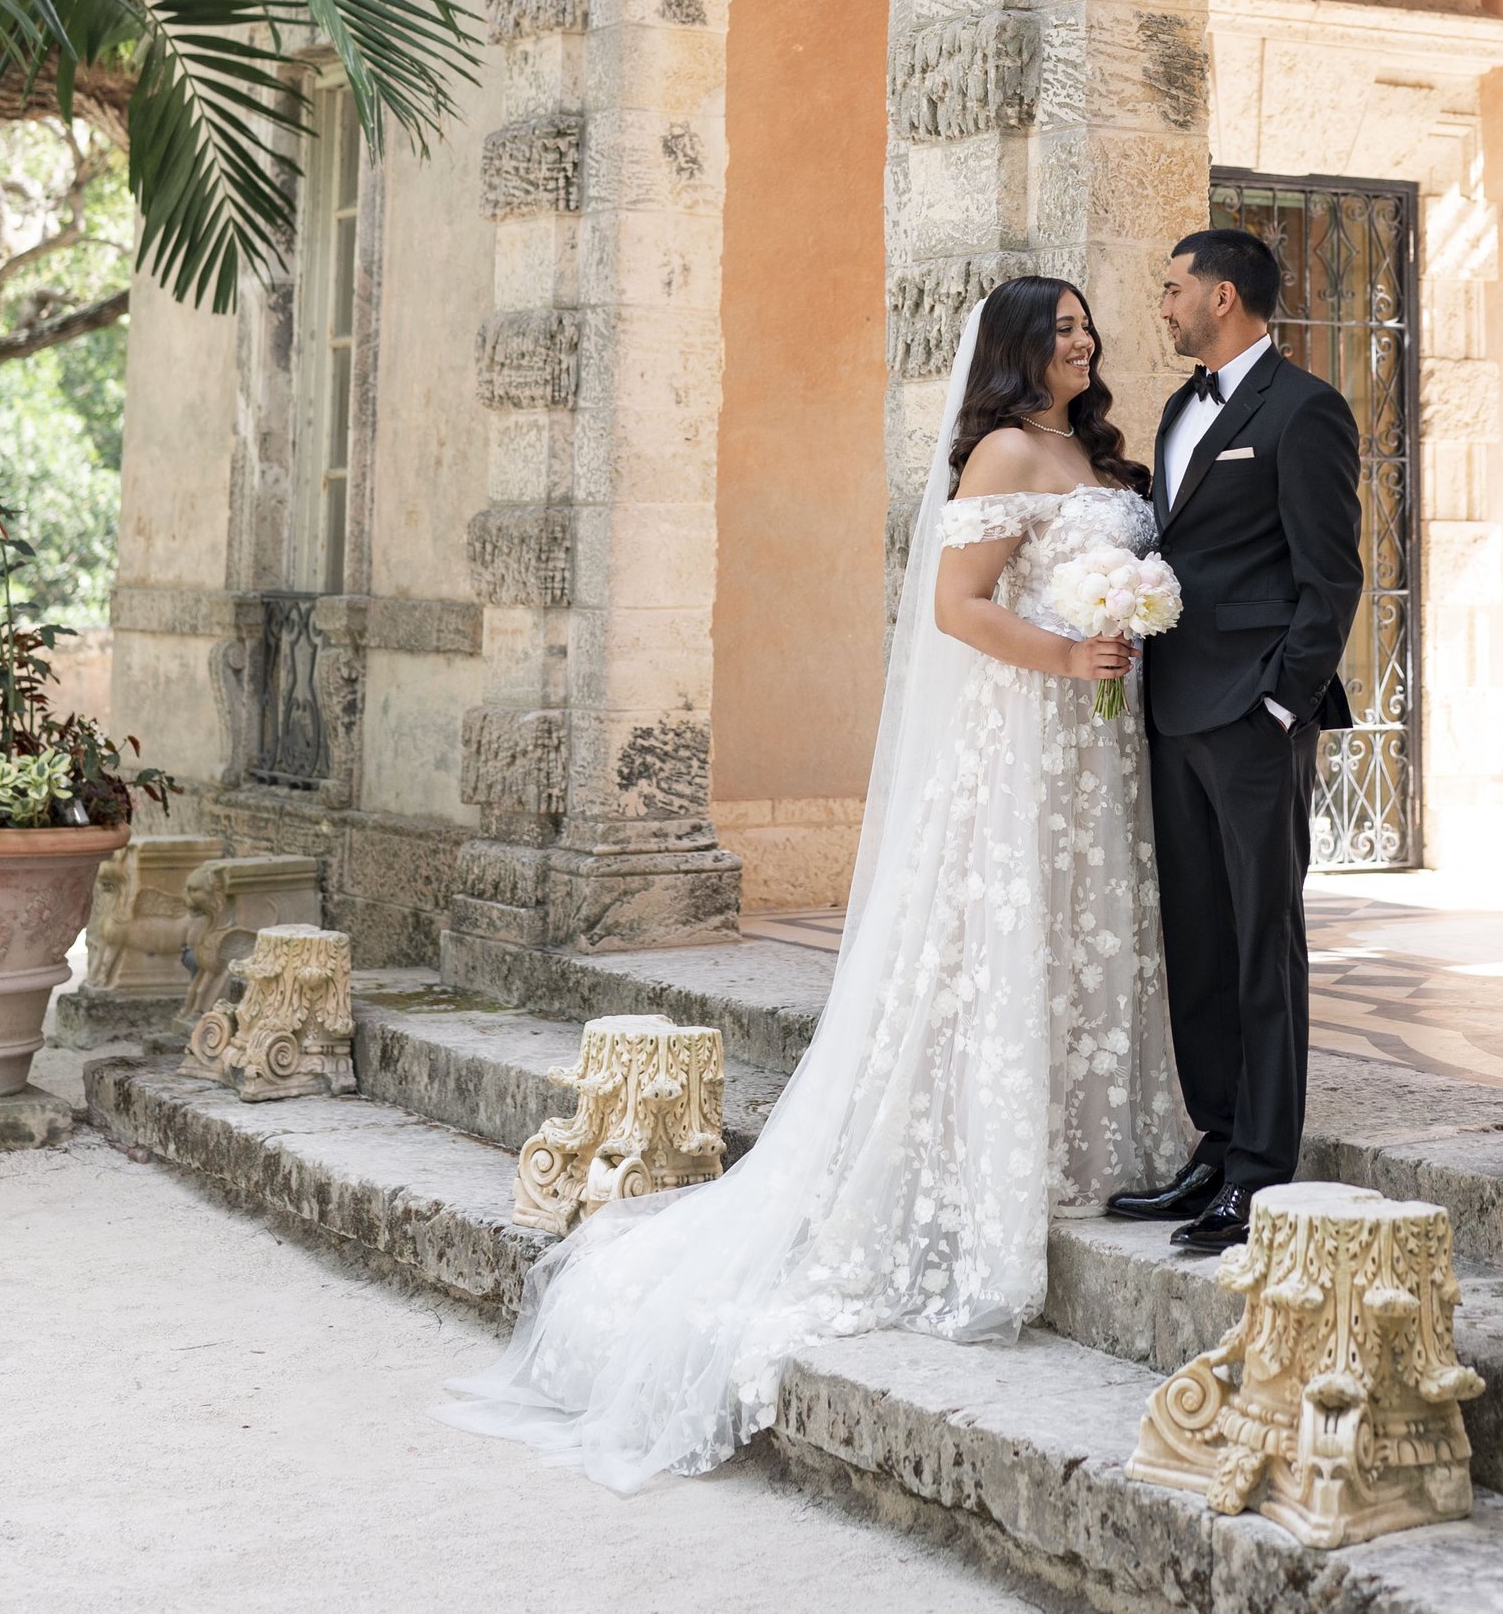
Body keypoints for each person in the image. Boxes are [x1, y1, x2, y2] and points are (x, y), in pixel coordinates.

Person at [447, 277, 1186, 1488]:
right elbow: (957, 608)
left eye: (1084, 324)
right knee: (999, 934)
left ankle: (1079, 1142)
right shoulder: (1002, 449)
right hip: (1027, 738)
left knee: (1090, 930)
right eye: (1058, 328)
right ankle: (978, 1156)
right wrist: (1068, 651)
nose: (1082, 339)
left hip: (1092, 746)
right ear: (1013, 350)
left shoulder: (1091, 449)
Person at [1108, 226, 1363, 1259]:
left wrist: (1278, 703)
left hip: (1252, 719)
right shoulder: (1177, 407)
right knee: (1200, 939)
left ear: (1222, 296)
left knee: (1264, 942)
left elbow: (1331, 576)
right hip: (1173, 709)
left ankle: (1262, 1171)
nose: (1162, 303)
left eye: (1173, 287)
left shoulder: (1306, 410)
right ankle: (1215, 1143)